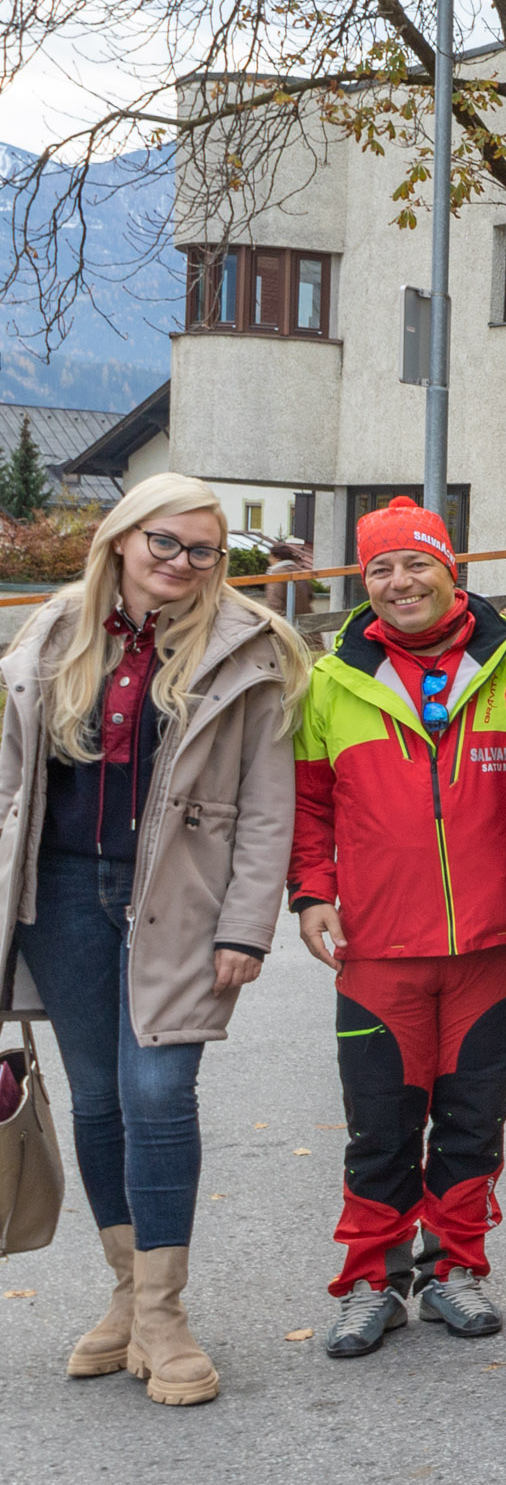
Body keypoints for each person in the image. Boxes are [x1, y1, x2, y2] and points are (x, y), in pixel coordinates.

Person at [0, 473, 308, 1406]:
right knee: (98, 1098)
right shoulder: (52, 634)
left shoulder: (250, 649)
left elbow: (267, 808)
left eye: (202, 550)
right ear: (122, 541)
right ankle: (129, 1295)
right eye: (164, 543)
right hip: (58, 895)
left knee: (160, 1092)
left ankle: (167, 1315)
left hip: (181, 900)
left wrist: (248, 929)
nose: (181, 563)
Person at [291, 497, 506, 1355]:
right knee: (380, 1124)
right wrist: (312, 892)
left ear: (452, 569)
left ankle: (456, 1269)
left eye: (415, 563)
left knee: (475, 1121)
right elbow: (309, 805)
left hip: (499, 943)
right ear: (364, 583)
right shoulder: (332, 681)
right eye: (379, 569)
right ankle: (372, 1281)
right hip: (378, 947)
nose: (399, 582)